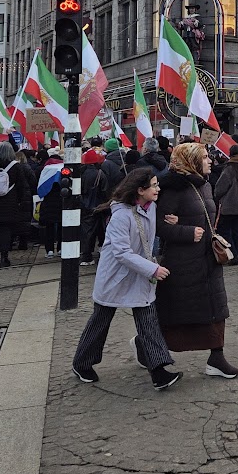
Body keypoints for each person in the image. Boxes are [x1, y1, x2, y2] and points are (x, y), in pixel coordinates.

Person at [71, 167, 181, 390]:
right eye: (154, 185)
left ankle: (159, 371)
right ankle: (82, 363)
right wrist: (152, 269)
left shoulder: (151, 207)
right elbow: (121, 252)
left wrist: (169, 222)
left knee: (148, 320)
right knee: (100, 321)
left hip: (140, 274)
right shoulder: (121, 215)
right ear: (140, 190)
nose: (158, 189)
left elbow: (149, 232)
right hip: (116, 276)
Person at [155, 142, 238, 378]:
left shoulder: (205, 185)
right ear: (190, 161)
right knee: (176, 312)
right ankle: (147, 346)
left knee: (216, 308)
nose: (210, 160)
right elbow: (158, 226)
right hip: (183, 263)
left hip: (208, 260)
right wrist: (186, 231)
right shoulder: (173, 189)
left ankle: (217, 357)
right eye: (204, 157)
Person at [213, 144, 238, 264]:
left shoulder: (229, 168)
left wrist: (217, 196)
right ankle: (237, 254)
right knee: (237, 231)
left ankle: (233, 255)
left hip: (229, 205)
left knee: (224, 230)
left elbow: (220, 188)